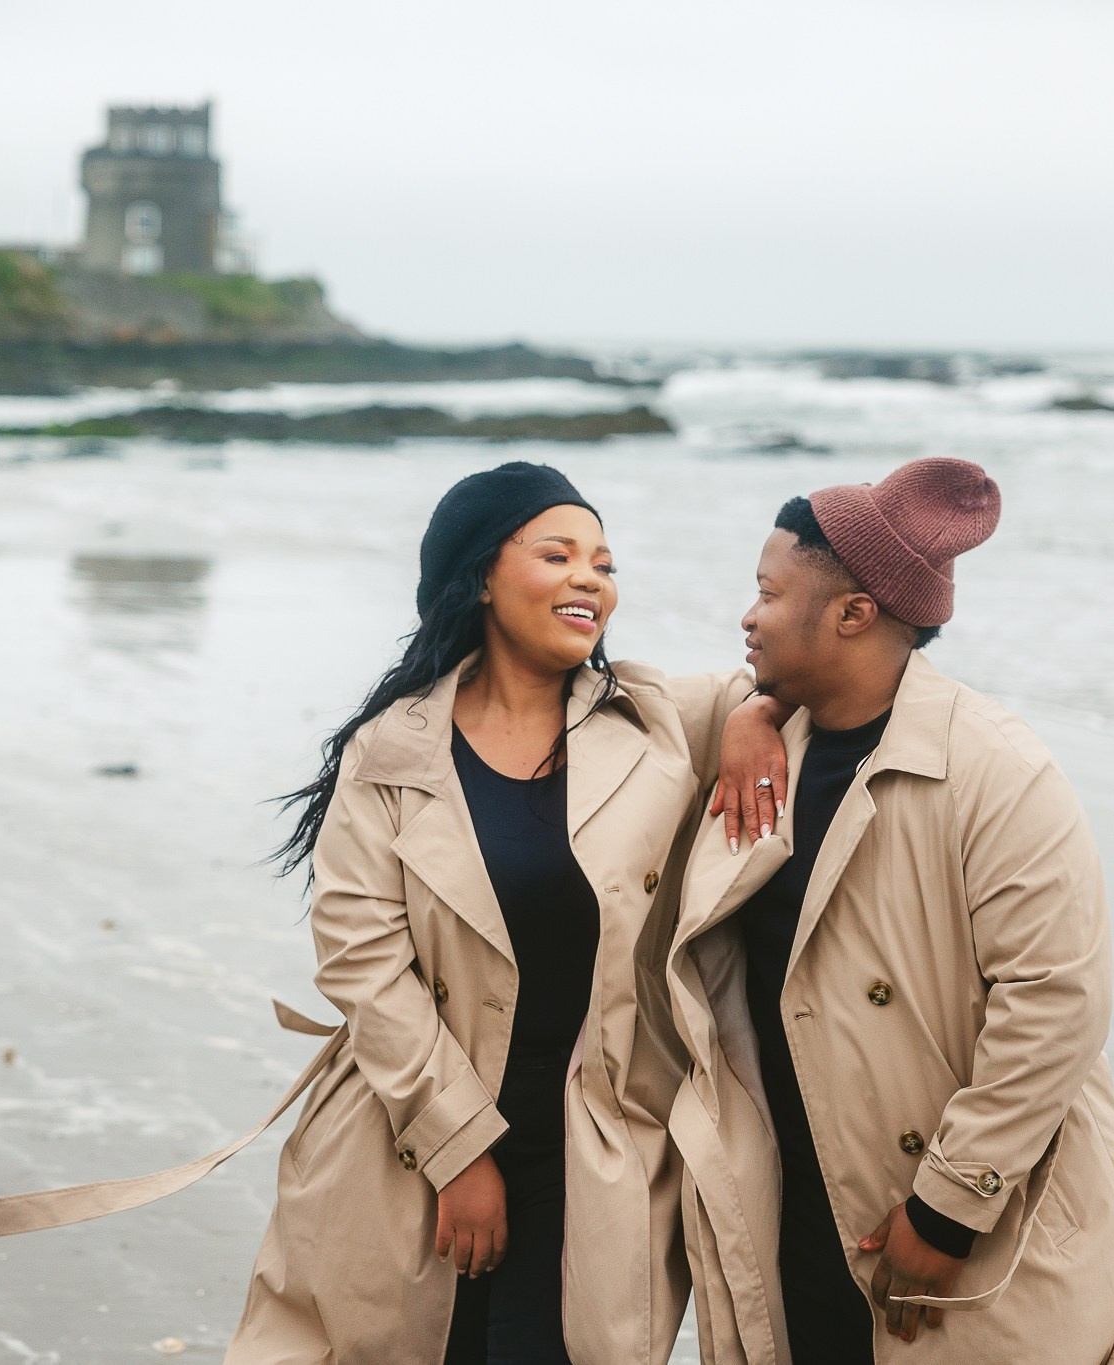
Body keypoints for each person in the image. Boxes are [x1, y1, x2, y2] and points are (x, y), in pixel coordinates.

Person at [230, 462, 789, 1364]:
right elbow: (361, 961)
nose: (590, 579)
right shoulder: (394, 748)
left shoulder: (653, 718)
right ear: (481, 576)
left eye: (604, 564)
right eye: (558, 553)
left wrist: (756, 714)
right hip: (409, 1132)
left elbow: (792, 680)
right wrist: (457, 1149)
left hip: (593, 1151)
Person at [665, 458, 1114, 1364]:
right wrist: (749, 709)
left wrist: (948, 1208)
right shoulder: (771, 732)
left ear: (854, 614)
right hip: (799, 1204)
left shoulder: (995, 769)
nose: (747, 615)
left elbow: (1057, 1004)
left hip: (953, 1224)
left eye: (767, 591)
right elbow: (611, 704)